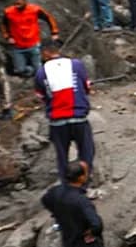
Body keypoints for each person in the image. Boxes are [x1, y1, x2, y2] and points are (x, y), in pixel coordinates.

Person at [34, 46, 94, 179]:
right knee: (86, 152)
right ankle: (84, 181)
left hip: (57, 121)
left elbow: (41, 96)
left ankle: (66, 183)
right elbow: (87, 87)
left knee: (62, 157)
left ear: (45, 53)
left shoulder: (41, 72)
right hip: (78, 117)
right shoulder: (76, 65)